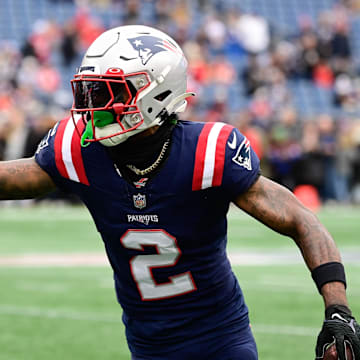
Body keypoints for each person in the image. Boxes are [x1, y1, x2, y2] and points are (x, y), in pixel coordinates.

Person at [1, 25, 359, 360]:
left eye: (110, 92)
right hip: (146, 343)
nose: (93, 106)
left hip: (220, 338)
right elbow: (13, 179)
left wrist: (338, 308)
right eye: (90, 91)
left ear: (156, 93)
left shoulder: (207, 154)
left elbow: (300, 218)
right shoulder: (78, 150)